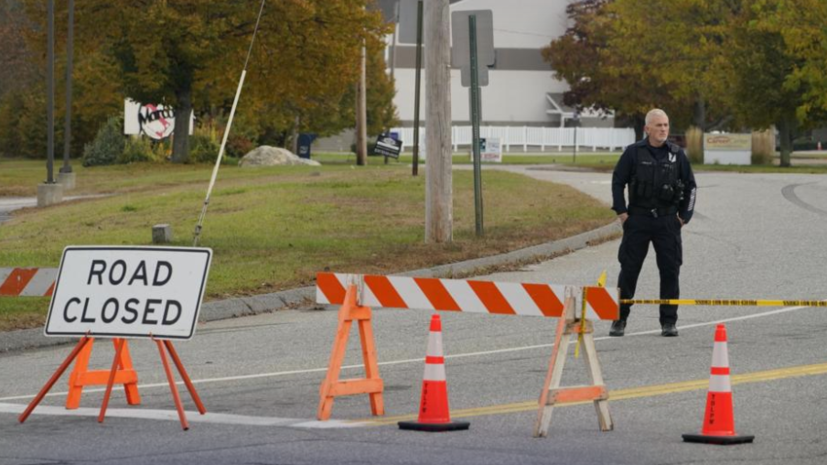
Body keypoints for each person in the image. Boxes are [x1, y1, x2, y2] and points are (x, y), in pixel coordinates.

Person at [609, 109, 697, 337]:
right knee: (629, 270)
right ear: (647, 129)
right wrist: (622, 212)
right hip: (638, 219)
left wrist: (683, 217)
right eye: (658, 125)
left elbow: (691, 187)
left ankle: (669, 321)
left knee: (670, 271)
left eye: (666, 125)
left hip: (668, 221)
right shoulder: (633, 153)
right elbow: (618, 181)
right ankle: (619, 319)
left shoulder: (677, 155)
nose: (663, 129)